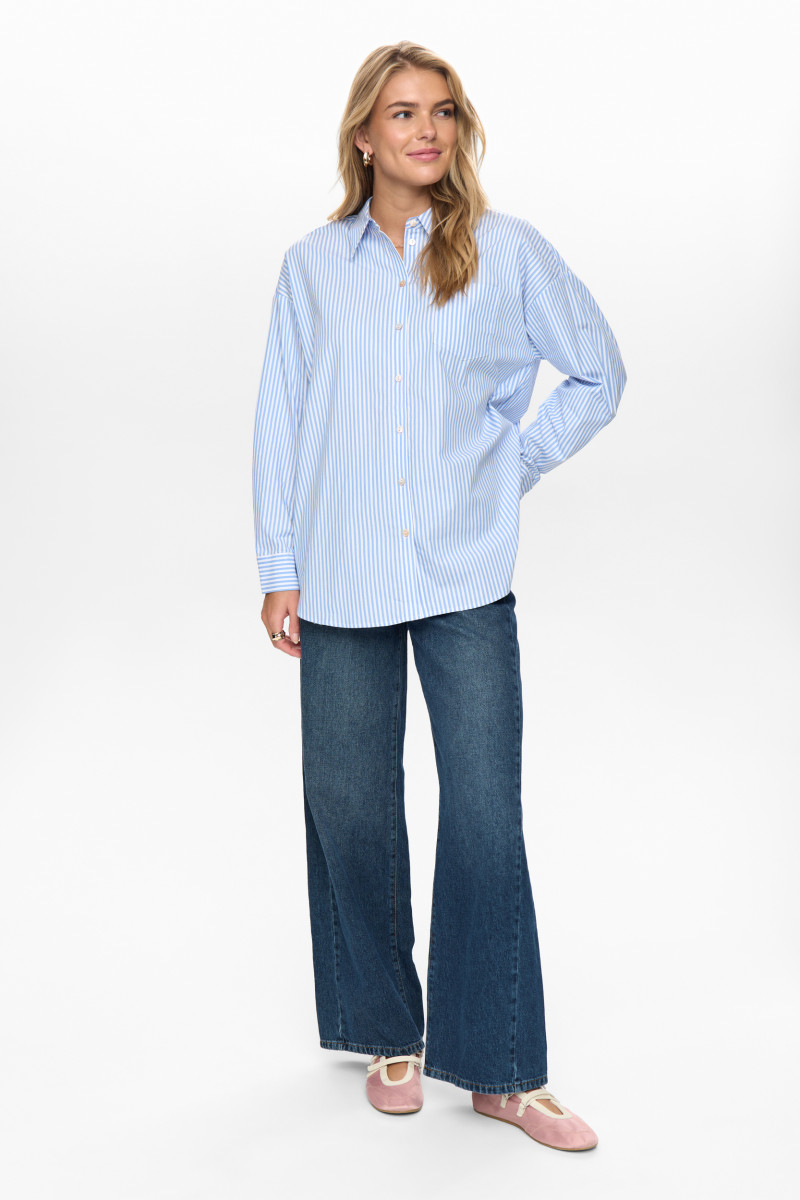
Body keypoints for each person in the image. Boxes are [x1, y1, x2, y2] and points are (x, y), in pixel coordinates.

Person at [252, 40, 627, 1152]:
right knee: (349, 804)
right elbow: (281, 416)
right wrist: (278, 566)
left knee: (483, 813)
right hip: (341, 571)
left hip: (464, 571)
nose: (426, 130)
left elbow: (598, 370)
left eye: (444, 112)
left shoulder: (505, 252)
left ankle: (503, 1069)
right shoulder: (312, 267)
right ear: (363, 137)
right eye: (403, 113)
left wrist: (508, 470)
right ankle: (386, 1031)